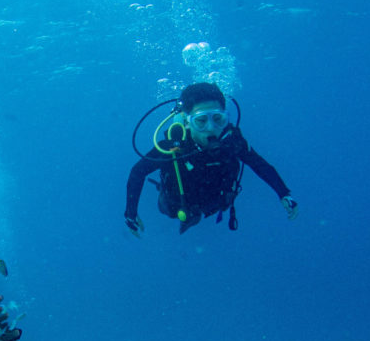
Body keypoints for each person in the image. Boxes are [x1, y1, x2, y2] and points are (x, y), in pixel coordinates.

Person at [124, 82, 297, 235]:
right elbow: (137, 172)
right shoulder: (172, 147)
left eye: (217, 119)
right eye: (201, 121)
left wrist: (284, 193)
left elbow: (260, 165)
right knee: (168, 209)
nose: (210, 128)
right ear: (187, 122)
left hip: (215, 204)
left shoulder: (233, 143)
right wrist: (130, 213)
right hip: (176, 205)